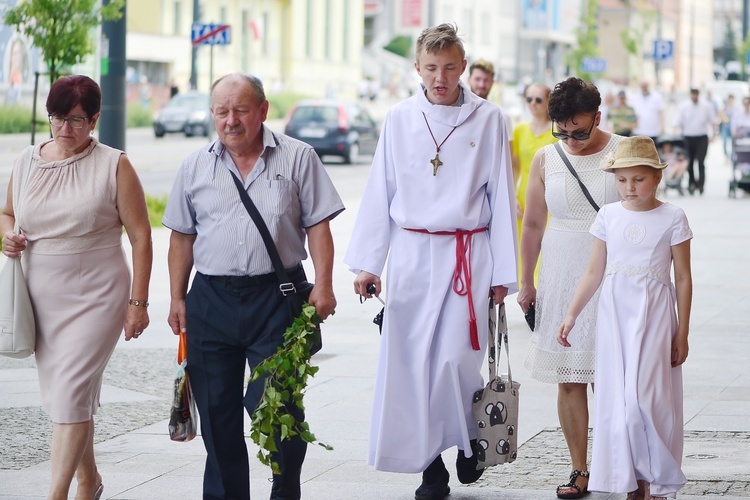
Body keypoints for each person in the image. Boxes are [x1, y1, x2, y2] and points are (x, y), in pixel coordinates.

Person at [345, 24, 518, 500]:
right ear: (417, 68)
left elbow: (501, 196)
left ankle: (466, 435)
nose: (439, 78)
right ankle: (431, 467)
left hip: (469, 254)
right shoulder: (399, 118)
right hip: (413, 254)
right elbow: (383, 189)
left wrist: (504, 274)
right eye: (430, 68)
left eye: (448, 68)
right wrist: (369, 263)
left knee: (457, 361)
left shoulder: (490, 119)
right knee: (413, 363)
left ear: (463, 67)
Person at [163, 73, 344, 500]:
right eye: (221, 112)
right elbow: (181, 238)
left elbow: (318, 226)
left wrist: (325, 285)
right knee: (218, 413)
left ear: (262, 110)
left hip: (277, 299)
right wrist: (176, 296)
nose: (231, 120)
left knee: (276, 405)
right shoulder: (194, 166)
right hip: (211, 300)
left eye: (240, 110)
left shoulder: (298, 157)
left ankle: (285, 487)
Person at [0, 74, 152, 500]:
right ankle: (90, 480)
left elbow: (141, 235)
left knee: (69, 395)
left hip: (99, 293)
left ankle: (57, 494)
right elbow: (8, 213)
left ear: (96, 119)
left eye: (77, 120)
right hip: (41, 295)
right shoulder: (27, 161)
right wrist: (8, 235)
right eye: (57, 118)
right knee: (72, 396)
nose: (65, 129)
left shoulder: (114, 164)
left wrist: (138, 303)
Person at [558, 135, 692, 500]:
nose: (629, 188)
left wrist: (682, 333)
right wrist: (572, 314)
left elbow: (682, 278)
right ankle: (631, 481)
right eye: (621, 180)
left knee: (645, 402)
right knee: (617, 402)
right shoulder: (608, 215)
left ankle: (655, 476)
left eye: (638, 179)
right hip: (614, 317)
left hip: (655, 318)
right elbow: (593, 273)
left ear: (657, 178)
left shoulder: (673, 217)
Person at [517, 77, 623, 500]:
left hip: (612, 273)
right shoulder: (547, 157)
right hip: (560, 272)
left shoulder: (623, 150)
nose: (572, 140)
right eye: (563, 131)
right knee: (569, 378)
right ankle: (580, 469)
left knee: (612, 378)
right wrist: (526, 281)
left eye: (581, 130)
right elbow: (533, 224)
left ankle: (621, 464)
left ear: (598, 117)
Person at [511, 82, 556, 284]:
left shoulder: (557, 131)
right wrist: (512, 196)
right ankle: (527, 291)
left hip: (549, 197)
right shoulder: (519, 130)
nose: (533, 104)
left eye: (538, 99)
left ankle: (541, 291)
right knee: (525, 246)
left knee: (546, 246)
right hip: (523, 195)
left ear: (548, 102)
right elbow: (515, 166)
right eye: (529, 99)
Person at [674, 88, 718, 195]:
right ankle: (692, 183)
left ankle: (701, 184)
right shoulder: (684, 106)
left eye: (696, 94)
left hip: (702, 136)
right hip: (688, 136)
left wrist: (714, 134)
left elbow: (713, 121)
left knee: (701, 162)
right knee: (690, 161)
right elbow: (677, 121)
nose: (694, 96)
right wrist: (676, 131)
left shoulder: (706, 106)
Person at [467, 58, 515, 153]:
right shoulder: (457, 112)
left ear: (492, 82)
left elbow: (508, 156)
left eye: (486, 80)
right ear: (469, 80)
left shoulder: (501, 115)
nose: (481, 84)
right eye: (477, 79)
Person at [719, 94, 736, 159]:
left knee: (733, 142)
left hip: (733, 127)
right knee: (724, 142)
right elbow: (721, 115)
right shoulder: (724, 107)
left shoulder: (735, 108)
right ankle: (726, 155)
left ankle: (732, 156)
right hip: (725, 126)